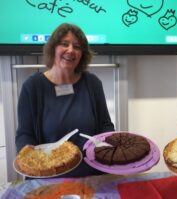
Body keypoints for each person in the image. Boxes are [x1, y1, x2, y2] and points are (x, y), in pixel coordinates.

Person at [15, 23, 115, 178]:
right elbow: (24, 133)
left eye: (77, 46)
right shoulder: (33, 86)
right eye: (64, 44)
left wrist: (109, 145)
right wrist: (27, 152)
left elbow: (105, 125)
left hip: (92, 174)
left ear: (82, 54)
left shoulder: (92, 83)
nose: (71, 50)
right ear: (53, 48)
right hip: (50, 174)